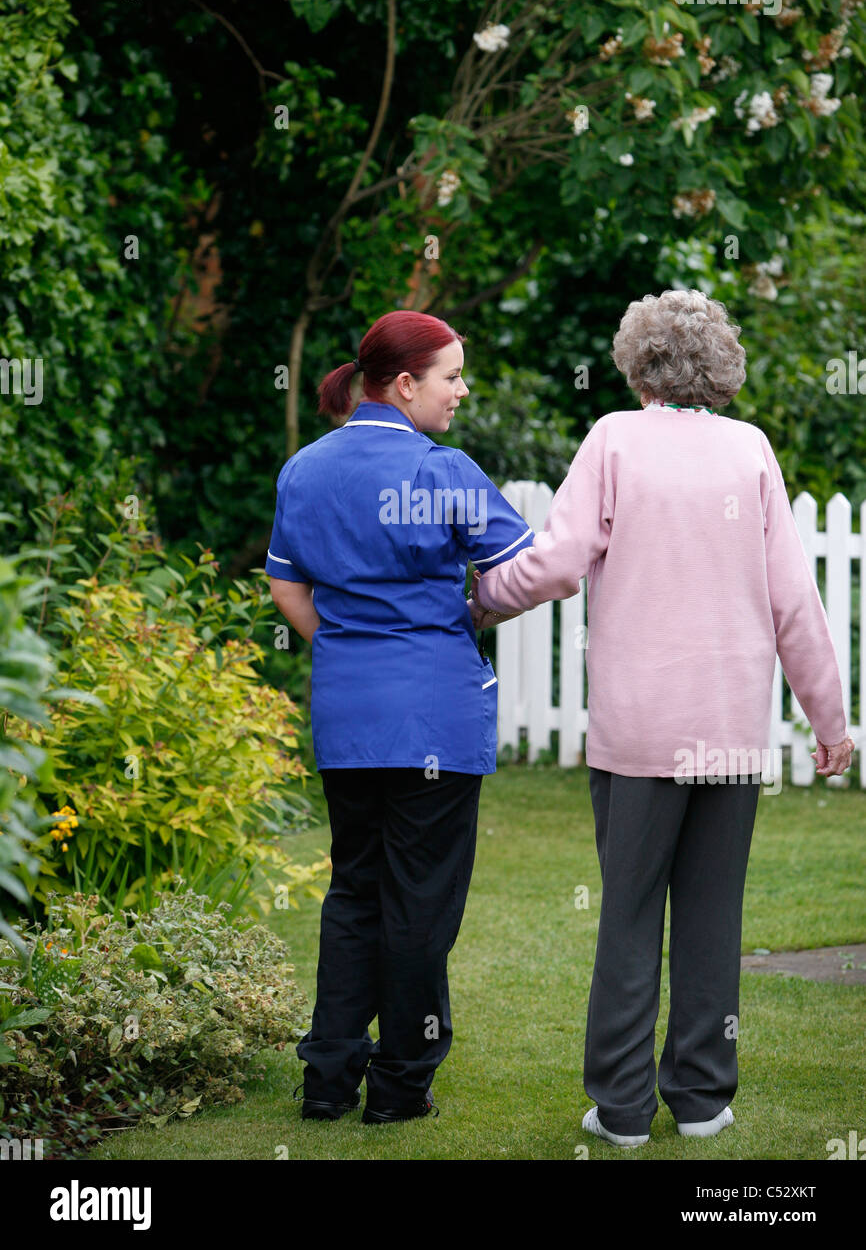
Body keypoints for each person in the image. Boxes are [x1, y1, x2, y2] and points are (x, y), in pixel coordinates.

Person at [468, 288, 854, 1148]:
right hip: (728, 732)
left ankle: (622, 1110)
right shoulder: (750, 449)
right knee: (714, 920)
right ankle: (706, 1101)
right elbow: (797, 602)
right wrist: (832, 725)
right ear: (718, 367)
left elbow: (557, 562)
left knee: (630, 917)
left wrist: (482, 601)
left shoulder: (613, 439)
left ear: (637, 362)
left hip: (638, 733)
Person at [266, 310, 534, 1125]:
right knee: (419, 904)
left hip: (349, 714)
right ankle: (400, 1085)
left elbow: (287, 587)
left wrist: (345, 647)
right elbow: (519, 573)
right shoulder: (440, 470)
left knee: (354, 890)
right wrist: (471, 617)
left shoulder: (305, 469)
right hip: (434, 721)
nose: (462, 390)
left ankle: (326, 1080)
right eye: (452, 375)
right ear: (406, 383)